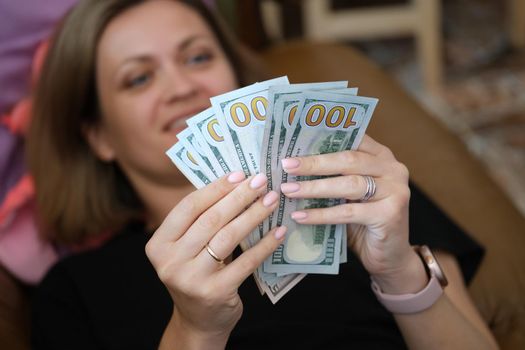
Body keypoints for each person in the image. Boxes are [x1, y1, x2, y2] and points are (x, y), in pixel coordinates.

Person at [28, 0, 499, 349]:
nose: (181, 86)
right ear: (98, 136)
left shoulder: (366, 191)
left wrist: (399, 273)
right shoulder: (74, 289)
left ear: (240, 82)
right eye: (138, 78)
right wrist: (196, 330)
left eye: (197, 57)